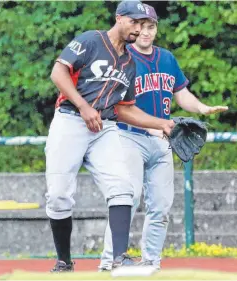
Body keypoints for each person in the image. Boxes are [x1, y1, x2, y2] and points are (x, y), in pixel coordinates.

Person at [45, 0, 174, 273]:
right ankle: (64, 261)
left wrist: (161, 123)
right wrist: (83, 105)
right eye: (134, 22)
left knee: (122, 187)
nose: (139, 29)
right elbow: (58, 71)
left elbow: (124, 109)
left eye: (143, 24)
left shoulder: (129, 62)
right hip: (70, 121)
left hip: (104, 127)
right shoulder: (92, 40)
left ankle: (120, 258)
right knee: (58, 196)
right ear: (119, 17)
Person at [98, 4, 228, 272]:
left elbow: (181, 93)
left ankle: (151, 263)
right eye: (141, 26)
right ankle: (109, 262)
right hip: (128, 138)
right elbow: (115, 107)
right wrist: (150, 128)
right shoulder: (122, 58)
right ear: (132, 27)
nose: (146, 32)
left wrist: (202, 107)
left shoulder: (167, 58)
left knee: (161, 206)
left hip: (163, 140)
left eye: (151, 26)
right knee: (127, 200)